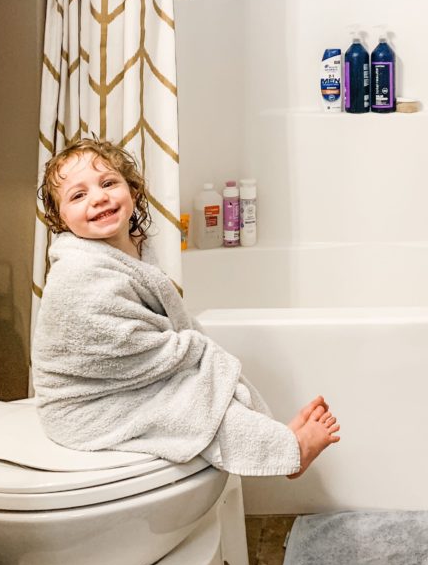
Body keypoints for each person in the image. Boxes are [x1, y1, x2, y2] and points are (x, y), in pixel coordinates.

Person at [32, 138, 340, 479]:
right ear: (60, 219)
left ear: (133, 193)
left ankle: (272, 434)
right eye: (78, 195)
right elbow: (116, 343)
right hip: (87, 403)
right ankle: (289, 451)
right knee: (193, 408)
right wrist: (190, 348)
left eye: (108, 183)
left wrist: (188, 351)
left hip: (121, 384)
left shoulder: (127, 252)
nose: (99, 197)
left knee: (203, 389)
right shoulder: (76, 272)